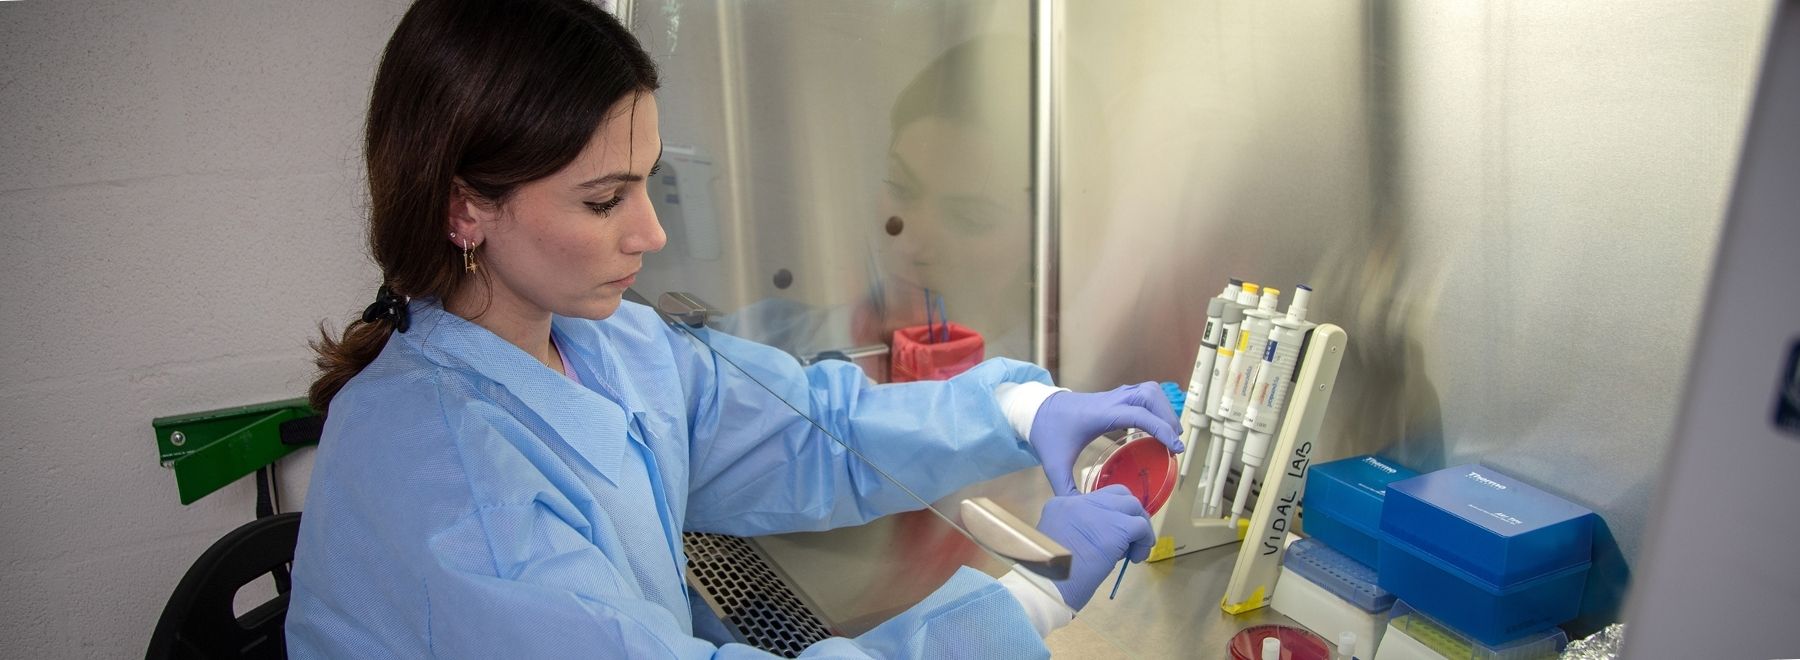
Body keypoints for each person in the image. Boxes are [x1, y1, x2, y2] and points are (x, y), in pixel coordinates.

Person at [286, 1, 1182, 657]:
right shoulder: (453, 493)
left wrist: (1023, 408)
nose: (652, 234)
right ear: (464, 209)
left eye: (648, 182)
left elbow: (813, 433)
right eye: (604, 201)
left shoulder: (605, 343)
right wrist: (1022, 610)